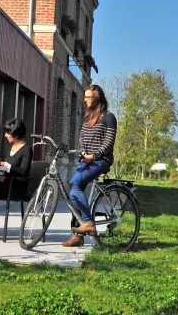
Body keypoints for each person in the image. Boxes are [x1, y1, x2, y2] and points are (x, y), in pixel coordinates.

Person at [62, 84, 117, 248]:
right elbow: (81, 139)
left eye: (88, 97)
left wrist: (94, 156)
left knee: (76, 185)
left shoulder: (109, 117)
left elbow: (108, 142)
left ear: (97, 98)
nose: (85, 100)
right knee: (73, 191)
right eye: (84, 97)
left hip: (101, 160)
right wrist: (84, 153)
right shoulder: (87, 119)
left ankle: (88, 223)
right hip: (86, 160)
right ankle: (79, 236)